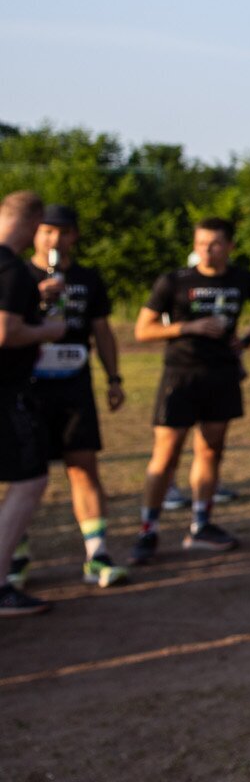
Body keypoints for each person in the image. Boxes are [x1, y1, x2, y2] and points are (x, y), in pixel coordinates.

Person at [129, 217, 250, 561]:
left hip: (222, 375)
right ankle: (148, 531)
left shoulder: (244, 279)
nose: (206, 251)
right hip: (181, 375)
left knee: (210, 451)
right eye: (200, 244)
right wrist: (188, 327)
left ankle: (201, 526)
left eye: (215, 244)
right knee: (166, 455)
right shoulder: (174, 280)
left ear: (230, 246)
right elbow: (143, 330)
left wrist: (246, 340)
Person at [12, 204, 128, 589]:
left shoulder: (87, 278)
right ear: (34, 232)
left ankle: (97, 554)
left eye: (63, 232)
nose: (54, 239)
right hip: (26, 387)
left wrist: (114, 378)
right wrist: (35, 296)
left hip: (74, 385)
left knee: (83, 466)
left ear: (74, 236)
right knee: (23, 474)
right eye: (47, 231)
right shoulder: (16, 274)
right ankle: (15, 557)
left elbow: (102, 330)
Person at [0, 191, 71, 616]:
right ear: (33, 224)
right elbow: (6, 332)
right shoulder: (11, 269)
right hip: (7, 393)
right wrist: (49, 330)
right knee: (29, 480)